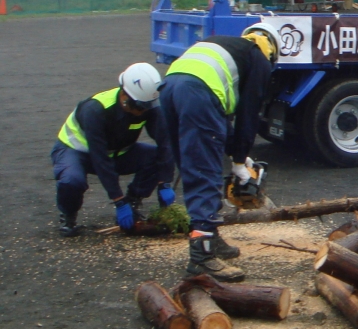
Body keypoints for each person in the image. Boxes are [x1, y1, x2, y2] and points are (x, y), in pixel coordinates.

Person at [160, 23, 278, 280]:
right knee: (205, 175)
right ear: (272, 49)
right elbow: (249, 115)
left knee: (195, 168)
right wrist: (238, 163)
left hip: (170, 88)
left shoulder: (224, 44)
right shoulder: (259, 60)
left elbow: (221, 119)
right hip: (198, 95)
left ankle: (211, 238)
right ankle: (201, 258)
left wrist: (236, 152)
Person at [52, 63, 175, 237]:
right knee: (72, 181)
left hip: (117, 152)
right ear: (124, 95)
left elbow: (165, 143)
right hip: (76, 152)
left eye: (145, 107)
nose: (142, 112)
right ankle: (68, 215)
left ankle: (133, 202)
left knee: (154, 157)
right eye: (139, 107)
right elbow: (100, 158)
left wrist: (165, 181)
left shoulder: (148, 106)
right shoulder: (95, 110)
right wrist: (118, 201)